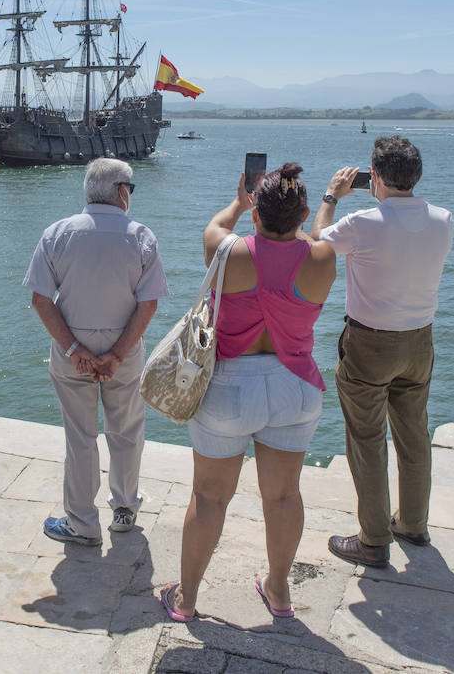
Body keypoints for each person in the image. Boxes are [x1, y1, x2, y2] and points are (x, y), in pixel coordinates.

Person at [159, 163, 336, 622]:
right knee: (283, 496)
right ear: (302, 214)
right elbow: (316, 237)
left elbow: (214, 227)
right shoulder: (322, 258)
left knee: (210, 497)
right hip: (295, 387)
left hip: (230, 387)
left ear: (257, 214)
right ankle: (279, 593)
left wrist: (240, 202)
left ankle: (187, 600)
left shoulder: (228, 252)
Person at [312, 136, 453, 569]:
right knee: (414, 436)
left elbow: (316, 245)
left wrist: (331, 197)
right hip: (419, 341)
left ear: (373, 175)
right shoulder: (443, 219)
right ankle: (413, 523)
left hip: (370, 343)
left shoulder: (362, 223)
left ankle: (373, 540)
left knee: (367, 439)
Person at [24, 158, 168, 546]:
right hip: (124, 350)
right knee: (126, 432)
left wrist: (74, 349)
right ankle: (124, 509)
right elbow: (148, 304)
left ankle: (82, 524)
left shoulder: (57, 233)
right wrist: (117, 355)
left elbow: (41, 299)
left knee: (80, 437)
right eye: (131, 190)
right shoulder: (141, 236)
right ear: (122, 192)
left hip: (72, 352)